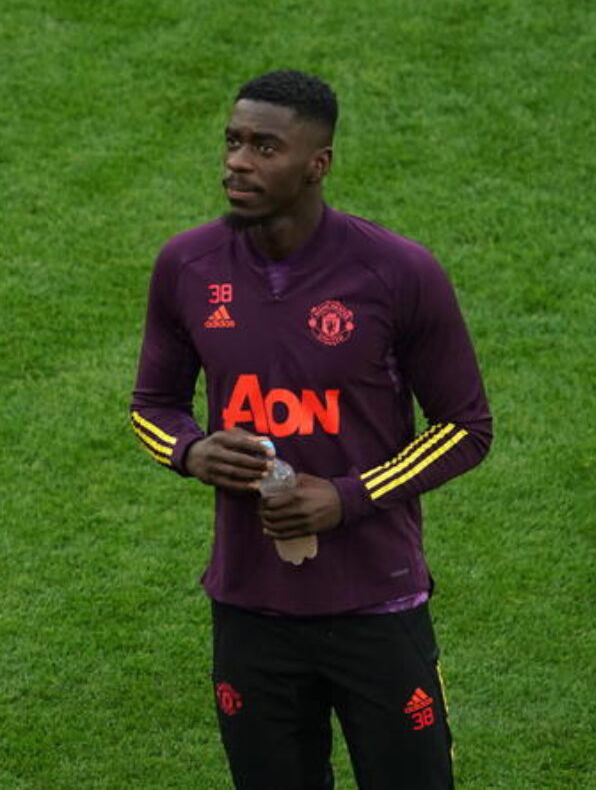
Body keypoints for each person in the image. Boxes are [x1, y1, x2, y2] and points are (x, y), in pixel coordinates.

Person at [130, 69, 492, 790]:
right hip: (249, 606)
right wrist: (192, 450)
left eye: (266, 147)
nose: (238, 160)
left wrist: (348, 496)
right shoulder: (188, 266)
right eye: (234, 142)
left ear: (317, 164)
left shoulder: (396, 273)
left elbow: (465, 427)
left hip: (375, 604)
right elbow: (150, 406)